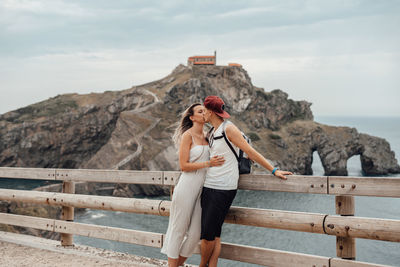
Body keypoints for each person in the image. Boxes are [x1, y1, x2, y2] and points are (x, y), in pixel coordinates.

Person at [199, 96, 293, 267]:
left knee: (206, 235)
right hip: (209, 185)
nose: (202, 114)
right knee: (215, 234)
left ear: (211, 112)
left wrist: (274, 170)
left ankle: (201, 265)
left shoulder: (229, 129)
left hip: (223, 188)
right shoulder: (211, 132)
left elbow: (251, 151)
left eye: (204, 110)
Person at [161, 103, 225, 267]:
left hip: (203, 190)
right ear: (192, 117)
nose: (204, 113)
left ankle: (178, 263)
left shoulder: (208, 135)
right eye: (200, 111)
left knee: (196, 233)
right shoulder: (187, 136)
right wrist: (208, 163)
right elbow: (184, 166)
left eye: (205, 110)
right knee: (178, 229)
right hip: (186, 187)